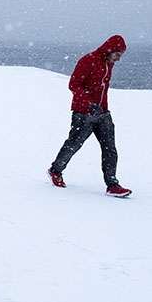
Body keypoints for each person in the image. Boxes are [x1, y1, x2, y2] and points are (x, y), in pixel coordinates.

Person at [47, 35, 132, 197]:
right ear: (109, 50)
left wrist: (101, 107)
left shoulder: (109, 63)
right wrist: (89, 104)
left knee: (110, 149)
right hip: (83, 113)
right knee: (74, 144)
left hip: (103, 113)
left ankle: (112, 185)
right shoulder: (88, 60)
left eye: (121, 55)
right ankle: (55, 170)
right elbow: (74, 84)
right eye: (117, 55)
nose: (118, 59)